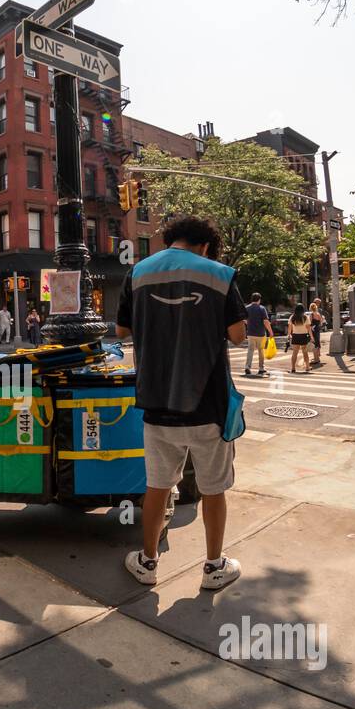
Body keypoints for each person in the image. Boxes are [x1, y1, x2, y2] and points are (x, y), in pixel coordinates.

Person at [115, 215, 247, 592]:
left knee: (157, 486)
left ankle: (147, 562)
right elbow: (237, 335)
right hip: (209, 403)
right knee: (213, 488)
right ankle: (213, 567)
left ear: (170, 241)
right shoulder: (219, 273)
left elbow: (122, 330)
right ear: (205, 246)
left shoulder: (138, 272)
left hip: (157, 402)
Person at [243, 292, 271, 376]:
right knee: (261, 351)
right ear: (259, 299)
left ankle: (247, 367)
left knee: (250, 350)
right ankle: (261, 368)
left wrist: (249, 324)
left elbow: (243, 320)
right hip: (261, 333)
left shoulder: (246, 308)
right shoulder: (262, 308)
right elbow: (265, 321)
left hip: (250, 333)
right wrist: (271, 332)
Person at [288, 303, 314, 373]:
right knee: (305, 352)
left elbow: (289, 327)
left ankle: (293, 368)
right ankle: (307, 367)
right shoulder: (305, 317)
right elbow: (309, 328)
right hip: (303, 336)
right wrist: (312, 337)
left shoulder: (292, 317)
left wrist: (288, 335)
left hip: (295, 336)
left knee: (294, 353)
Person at [309, 299, 325, 365]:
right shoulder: (318, 314)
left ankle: (316, 358)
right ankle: (317, 357)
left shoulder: (311, 315)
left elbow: (309, 324)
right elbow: (321, 322)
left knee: (314, 343)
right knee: (317, 342)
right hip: (317, 330)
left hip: (313, 330)